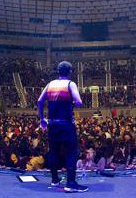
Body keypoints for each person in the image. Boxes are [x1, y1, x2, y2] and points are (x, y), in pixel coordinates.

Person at [38, 61, 88, 193]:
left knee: (53, 151)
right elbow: (78, 102)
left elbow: (39, 101)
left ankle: (54, 179)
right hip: (66, 124)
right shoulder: (70, 84)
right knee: (71, 152)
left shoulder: (50, 84)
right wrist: (70, 102)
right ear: (70, 72)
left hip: (52, 124)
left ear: (58, 71)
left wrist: (42, 119)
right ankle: (70, 183)